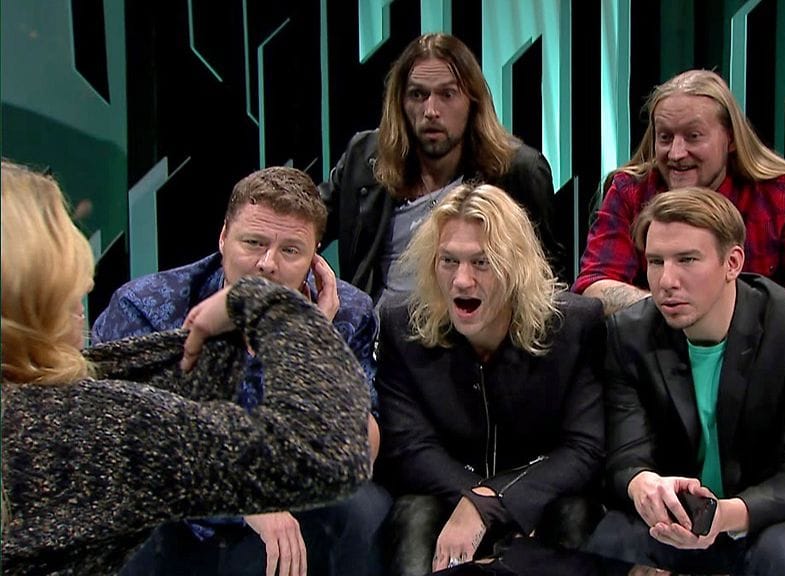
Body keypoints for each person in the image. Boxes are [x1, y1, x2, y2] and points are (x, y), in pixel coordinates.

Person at [0, 160, 371, 575]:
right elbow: (324, 458)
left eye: (290, 250)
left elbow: (146, 389)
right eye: (71, 281)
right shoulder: (87, 421)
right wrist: (293, 325)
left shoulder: (47, 412)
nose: (87, 287)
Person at [586, 187, 785, 575]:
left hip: (766, 517)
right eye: (655, 262)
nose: (666, 280)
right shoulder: (630, 333)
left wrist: (723, 515)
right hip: (678, 514)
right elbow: (626, 455)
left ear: (733, 263)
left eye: (687, 260)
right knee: (607, 542)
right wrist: (644, 485)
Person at [374, 183, 604, 575]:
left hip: (540, 498)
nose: (461, 280)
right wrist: (474, 500)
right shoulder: (402, 326)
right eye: (448, 261)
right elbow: (410, 447)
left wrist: (494, 500)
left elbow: (584, 449)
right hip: (446, 498)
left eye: (482, 263)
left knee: (576, 512)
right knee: (413, 512)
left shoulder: (574, 326)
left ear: (516, 267)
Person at [573, 69, 785, 321]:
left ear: (730, 138)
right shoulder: (630, 190)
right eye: (665, 137)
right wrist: (677, 311)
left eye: (693, 136)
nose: (676, 153)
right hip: (655, 348)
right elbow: (593, 285)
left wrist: (747, 322)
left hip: (766, 352)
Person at [319, 32, 561, 305]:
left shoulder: (518, 172)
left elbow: (545, 285)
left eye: (447, 94)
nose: (431, 110)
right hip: (377, 326)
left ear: (473, 101)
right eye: (418, 95)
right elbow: (304, 220)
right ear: (400, 102)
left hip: (471, 325)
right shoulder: (365, 157)